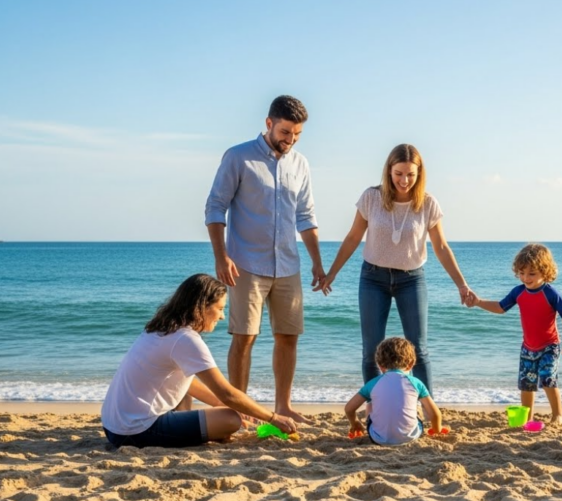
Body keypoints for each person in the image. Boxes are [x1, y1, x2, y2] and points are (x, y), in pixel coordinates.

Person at [314, 143, 477, 393]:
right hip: (372, 278)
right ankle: (373, 408)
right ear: (389, 170)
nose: (404, 180)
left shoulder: (428, 203)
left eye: (411, 174)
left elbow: (441, 247)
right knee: (371, 350)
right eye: (399, 173)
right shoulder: (371, 197)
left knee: (418, 349)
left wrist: (461, 284)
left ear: (419, 173)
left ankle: (428, 409)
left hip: (412, 280)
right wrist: (333, 272)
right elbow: (353, 237)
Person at [204, 95, 325, 425]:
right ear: (269, 123)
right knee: (244, 337)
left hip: (288, 264)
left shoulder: (300, 164)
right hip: (246, 263)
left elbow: (305, 215)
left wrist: (317, 262)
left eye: (297, 135)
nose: (291, 140)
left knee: (288, 337)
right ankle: (239, 410)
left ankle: (282, 407)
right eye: (286, 132)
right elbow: (215, 207)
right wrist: (221, 256)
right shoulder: (238, 157)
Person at [101, 274, 298, 448]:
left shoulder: (161, 329)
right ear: (202, 306)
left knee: (223, 409)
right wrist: (273, 418)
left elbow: (189, 385)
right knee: (230, 419)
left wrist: (222, 404)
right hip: (136, 431)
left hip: (113, 428)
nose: (222, 316)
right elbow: (227, 393)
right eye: (220, 308)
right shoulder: (185, 339)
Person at [470, 243, 562, 425]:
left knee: (548, 379)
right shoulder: (518, 292)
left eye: (532, 273)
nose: (526, 278)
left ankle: (557, 415)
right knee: (527, 384)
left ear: (545, 271)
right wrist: (478, 302)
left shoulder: (550, 293)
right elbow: (500, 308)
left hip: (550, 345)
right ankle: (528, 418)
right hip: (528, 347)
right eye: (521, 272)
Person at [344, 337, 445, 446]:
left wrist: (355, 424)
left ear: (380, 366)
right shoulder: (416, 383)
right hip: (411, 438)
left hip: (377, 439)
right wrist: (436, 429)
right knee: (415, 406)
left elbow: (349, 409)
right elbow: (435, 414)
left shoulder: (373, 383)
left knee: (370, 404)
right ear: (411, 364)